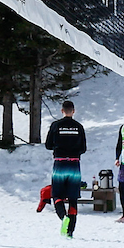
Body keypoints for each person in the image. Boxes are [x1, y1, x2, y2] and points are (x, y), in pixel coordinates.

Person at [44, 100, 88, 237]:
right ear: (73, 111)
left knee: (56, 195)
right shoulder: (79, 127)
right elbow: (83, 148)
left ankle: (64, 217)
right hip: (74, 164)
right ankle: (70, 231)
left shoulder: (56, 125)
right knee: (73, 198)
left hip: (60, 163)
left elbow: (48, 145)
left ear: (62, 111)